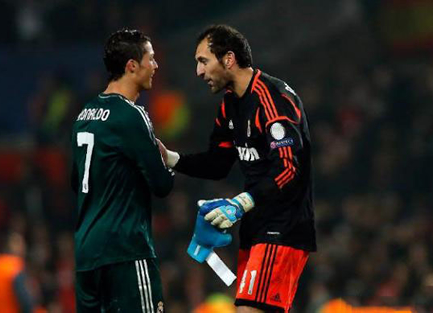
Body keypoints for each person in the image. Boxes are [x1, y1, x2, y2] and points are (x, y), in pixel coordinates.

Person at [159, 25, 317, 313]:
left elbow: (288, 168)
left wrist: (241, 202)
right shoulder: (230, 105)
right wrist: (171, 158)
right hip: (256, 228)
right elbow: (218, 163)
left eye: (203, 61)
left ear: (228, 59)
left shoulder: (273, 99)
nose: (198, 71)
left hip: (283, 227)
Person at [71, 29, 174, 312]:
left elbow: (77, 182)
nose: (156, 66)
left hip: (86, 255)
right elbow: (162, 185)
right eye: (150, 59)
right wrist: (164, 162)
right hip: (125, 251)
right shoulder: (132, 114)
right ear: (132, 66)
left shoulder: (84, 116)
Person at [0, 232, 37, 313]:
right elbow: (25, 302)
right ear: (12, 245)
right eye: (20, 244)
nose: (24, 247)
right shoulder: (15, 266)